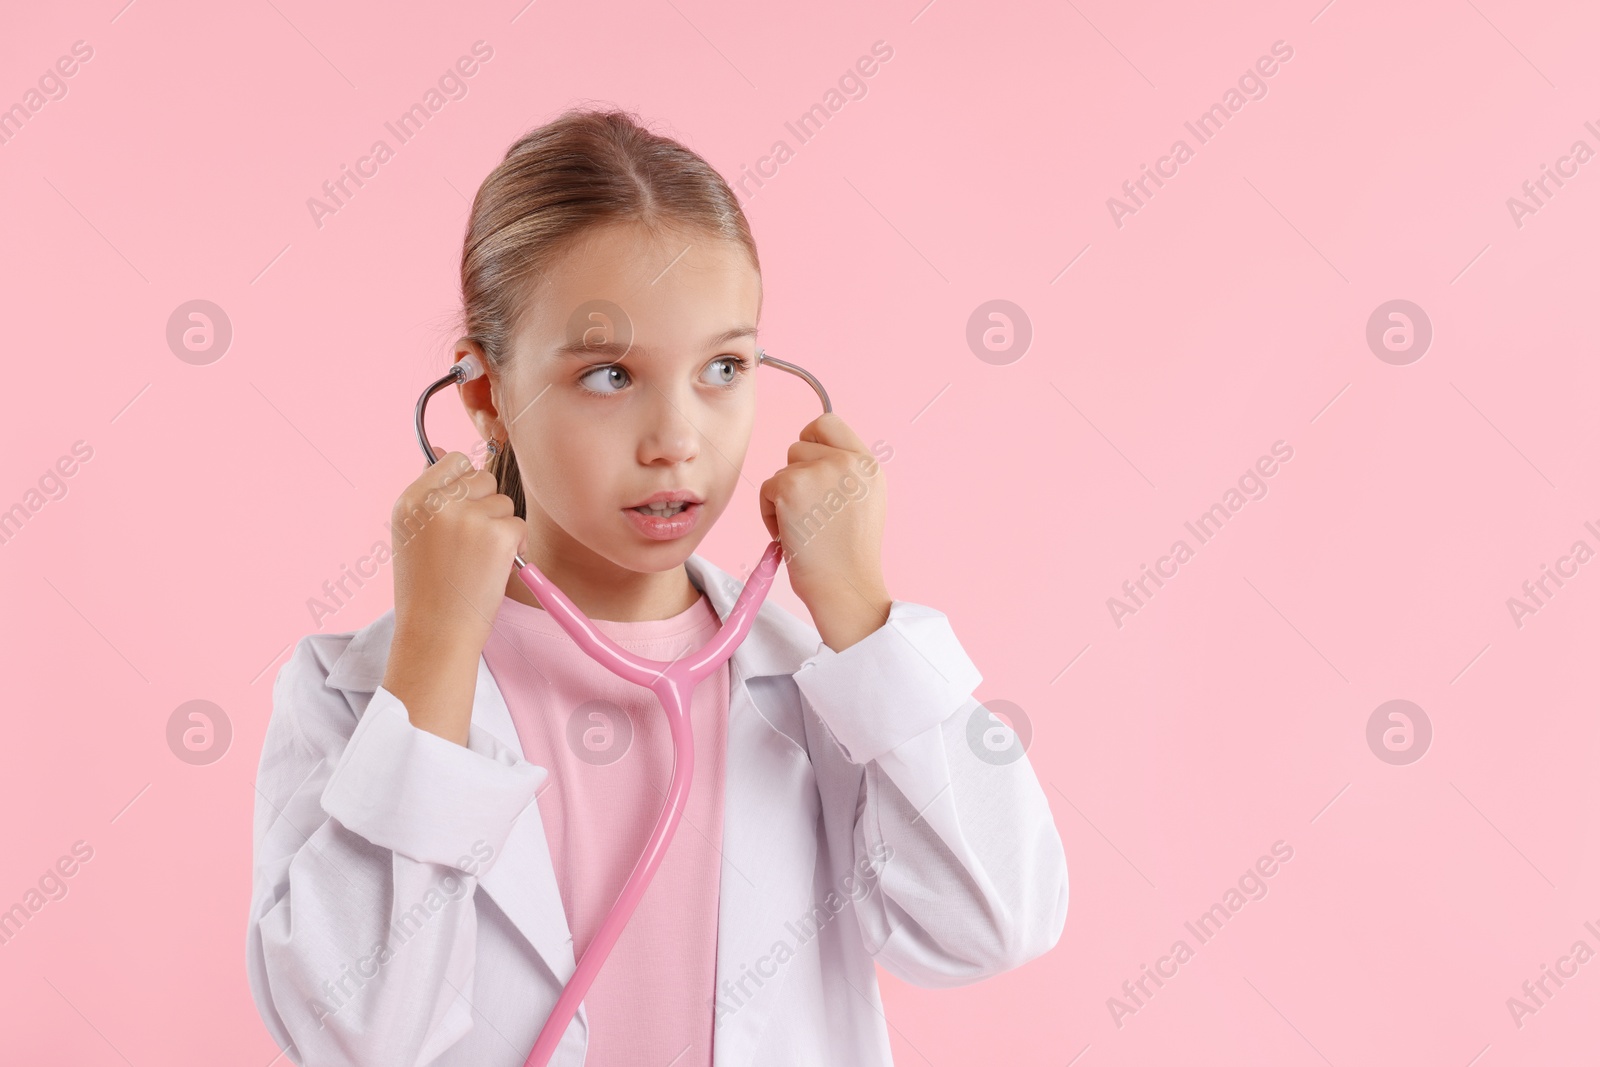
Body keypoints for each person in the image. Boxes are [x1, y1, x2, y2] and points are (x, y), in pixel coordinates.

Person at [245, 106, 1068, 1067]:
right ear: (484, 395)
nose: (677, 438)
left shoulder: (822, 685)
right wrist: (431, 654)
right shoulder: (349, 697)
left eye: (723, 367)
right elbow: (355, 1039)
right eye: (608, 375)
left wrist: (860, 611)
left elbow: (995, 923)